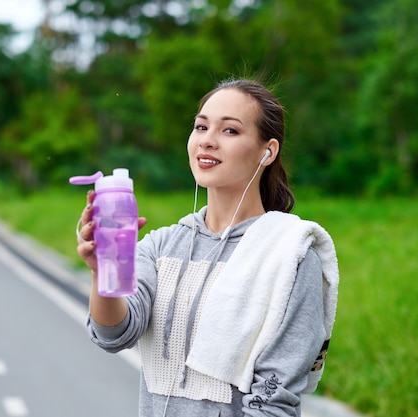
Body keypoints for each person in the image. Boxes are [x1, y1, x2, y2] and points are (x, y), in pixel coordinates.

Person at [75, 78, 339, 417]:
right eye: (201, 126)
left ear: (267, 151)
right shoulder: (161, 245)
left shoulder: (289, 255)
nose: (207, 141)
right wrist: (103, 274)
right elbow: (114, 335)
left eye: (229, 131)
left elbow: (273, 401)